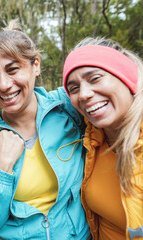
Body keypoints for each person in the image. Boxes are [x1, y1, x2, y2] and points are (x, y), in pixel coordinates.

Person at [0, 20, 90, 239]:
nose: (3, 85)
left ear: (36, 66)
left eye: (13, 70)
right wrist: (1, 167)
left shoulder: (68, 106)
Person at [63, 37, 143, 239]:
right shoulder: (91, 141)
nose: (84, 94)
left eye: (95, 78)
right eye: (73, 88)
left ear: (127, 77)